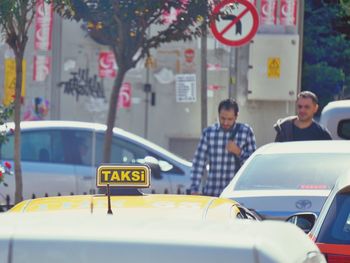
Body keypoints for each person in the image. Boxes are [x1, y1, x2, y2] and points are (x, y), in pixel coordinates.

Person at [190, 98, 257, 197]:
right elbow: (198, 163)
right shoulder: (209, 133)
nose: (225, 122)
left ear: (236, 116)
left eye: (230, 119)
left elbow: (253, 165)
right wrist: (194, 189)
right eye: (222, 118)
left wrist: (238, 151)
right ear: (218, 115)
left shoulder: (246, 132)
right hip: (212, 192)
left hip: (235, 194)